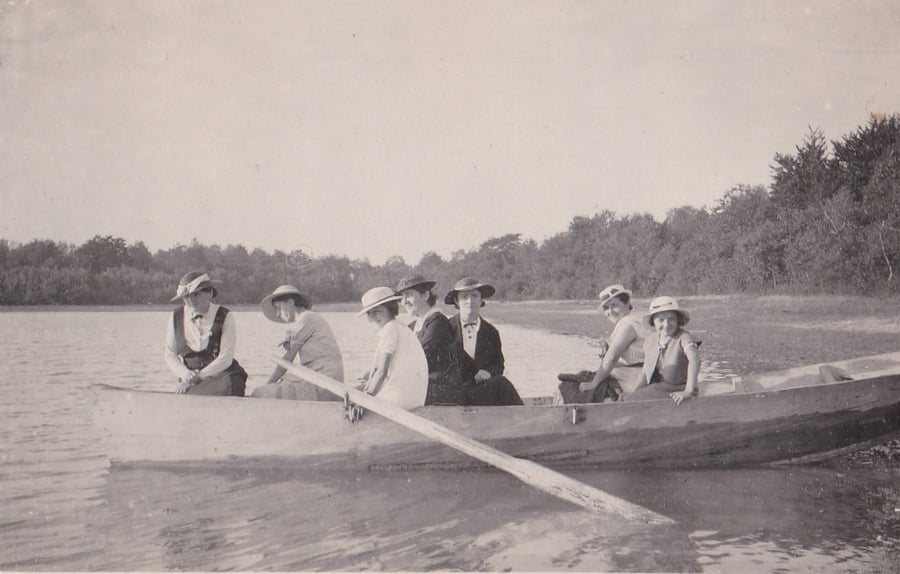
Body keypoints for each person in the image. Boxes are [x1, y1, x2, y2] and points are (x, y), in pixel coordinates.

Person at [557, 284, 652, 404]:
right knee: (584, 378)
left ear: (627, 304)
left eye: (614, 305)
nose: (610, 311)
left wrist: (593, 384)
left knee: (585, 386)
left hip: (640, 378)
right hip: (636, 373)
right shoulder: (631, 321)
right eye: (606, 308)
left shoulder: (628, 325)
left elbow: (611, 358)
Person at [250, 285, 345, 401]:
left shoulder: (306, 318)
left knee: (259, 393)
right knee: (277, 386)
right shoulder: (309, 317)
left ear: (290, 302)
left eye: (278, 308)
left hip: (325, 379)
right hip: (326, 377)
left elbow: (287, 359)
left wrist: (268, 384)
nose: (278, 314)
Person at [164, 271, 247, 396]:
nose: (190, 300)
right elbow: (170, 354)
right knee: (187, 394)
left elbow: (226, 357)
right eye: (186, 296)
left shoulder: (225, 315)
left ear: (210, 293)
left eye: (196, 294)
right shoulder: (176, 316)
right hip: (190, 379)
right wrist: (185, 375)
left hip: (223, 376)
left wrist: (199, 377)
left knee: (230, 385)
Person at [445, 277, 524, 406]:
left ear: (481, 300)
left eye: (474, 296)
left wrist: (488, 373)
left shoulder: (491, 332)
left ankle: (527, 420)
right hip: (453, 394)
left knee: (501, 382)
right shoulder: (446, 328)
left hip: (479, 392)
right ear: (456, 301)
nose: (470, 301)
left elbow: (498, 365)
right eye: (464, 297)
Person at [395, 274, 464, 405]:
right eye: (402, 297)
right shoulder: (413, 326)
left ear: (425, 295)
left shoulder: (437, 322)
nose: (404, 302)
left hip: (443, 390)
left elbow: (417, 356)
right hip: (425, 385)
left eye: (409, 295)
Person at [356, 286, 428, 410]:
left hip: (398, 398)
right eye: (369, 313)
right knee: (359, 389)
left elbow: (382, 372)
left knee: (355, 397)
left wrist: (365, 399)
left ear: (390, 309)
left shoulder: (389, 329)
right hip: (414, 397)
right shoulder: (399, 326)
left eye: (377, 311)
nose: (372, 317)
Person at [625, 296, 701, 405]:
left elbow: (695, 360)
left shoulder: (683, 337)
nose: (666, 324)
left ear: (678, 320)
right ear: (653, 322)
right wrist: (635, 392)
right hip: (660, 387)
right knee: (630, 398)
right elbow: (646, 371)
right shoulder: (651, 339)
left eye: (671, 319)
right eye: (661, 320)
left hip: (680, 388)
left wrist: (688, 391)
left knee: (634, 400)